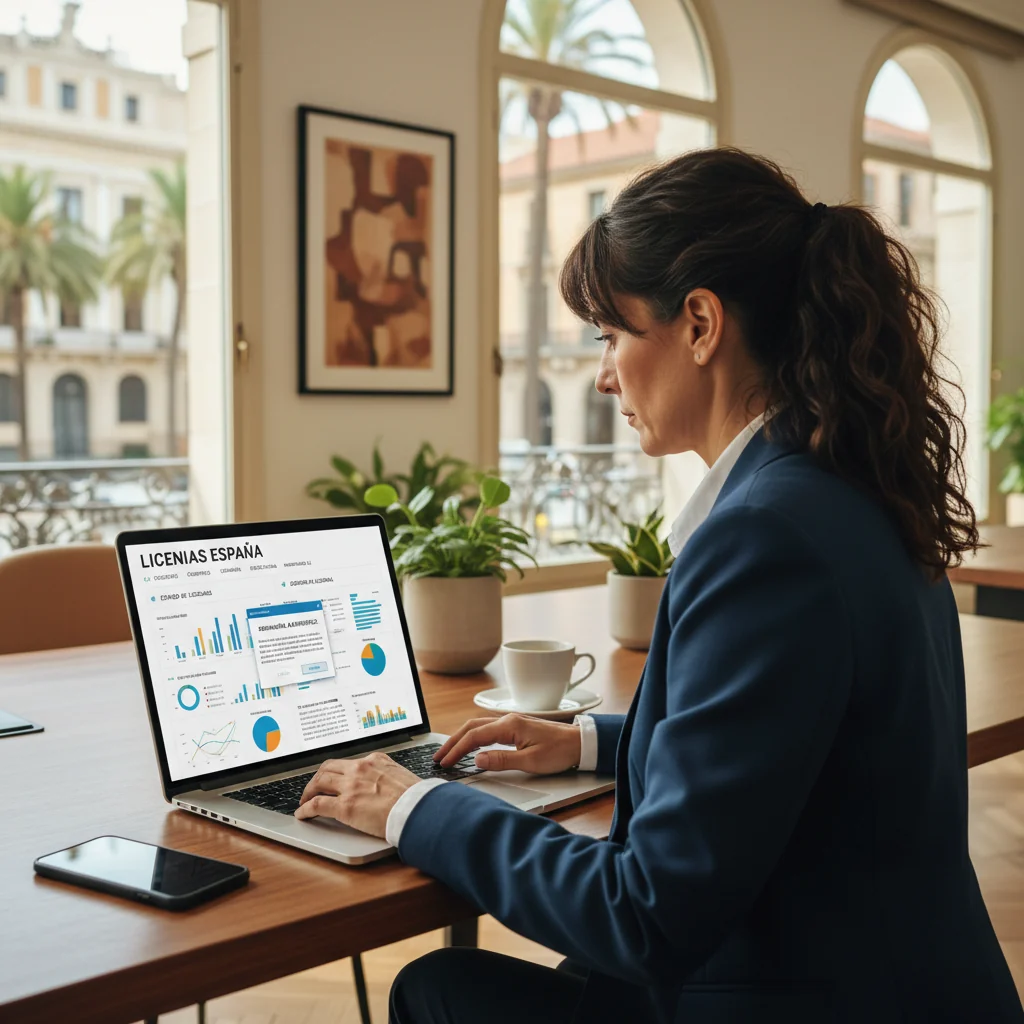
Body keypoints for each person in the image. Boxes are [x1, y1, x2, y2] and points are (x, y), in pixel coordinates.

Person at [295, 148, 1024, 1023]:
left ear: (701, 324)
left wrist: (414, 804)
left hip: (799, 998)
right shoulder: (846, 484)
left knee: (437, 989)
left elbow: (645, 915)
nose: (603, 374)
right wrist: (595, 742)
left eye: (611, 335)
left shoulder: (766, 536)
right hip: (899, 981)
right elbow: (803, 740)